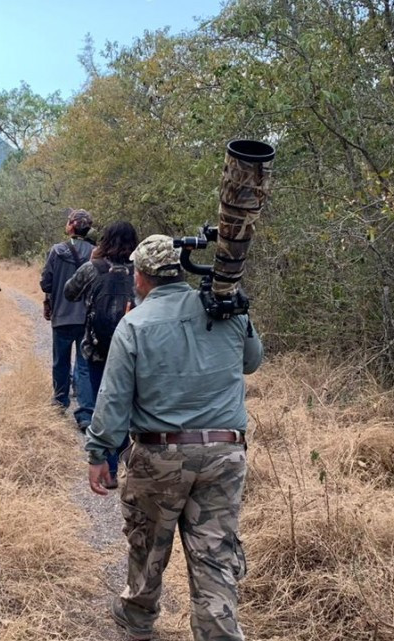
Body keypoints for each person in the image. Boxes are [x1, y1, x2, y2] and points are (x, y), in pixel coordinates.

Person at [86, 234, 264, 641]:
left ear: (142, 276)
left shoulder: (135, 323)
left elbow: (113, 398)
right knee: (215, 555)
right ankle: (218, 633)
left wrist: (99, 452)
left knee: (148, 545)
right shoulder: (225, 308)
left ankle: (138, 620)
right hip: (225, 451)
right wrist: (241, 313)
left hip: (160, 453)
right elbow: (252, 362)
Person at [63, 220, 138, 488]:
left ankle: (111, 469)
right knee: (131, 407)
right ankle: (133, 459)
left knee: (102, 406)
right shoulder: (140, 271)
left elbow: (69, 293)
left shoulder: (93, 268)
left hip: (97, 349)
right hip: (133, 351)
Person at [40, 208, 96, 429]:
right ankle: (84, 413)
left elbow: (46, 283)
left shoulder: (57, 251)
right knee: (84, 364)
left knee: (60, 361)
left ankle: (60, 401)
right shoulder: (95, 252)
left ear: (72, 225)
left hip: (62, 316)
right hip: (87, 319)